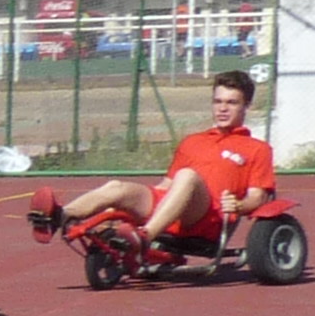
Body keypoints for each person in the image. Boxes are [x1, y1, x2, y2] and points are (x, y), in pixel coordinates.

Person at [35, 69, 276, 251]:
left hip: (206, 216)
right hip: (171, 206)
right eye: (218, 101)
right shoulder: (192, 141)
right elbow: (166, 186)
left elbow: (257, 197)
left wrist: (239, 206)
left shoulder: (257, 149)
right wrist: (122, 206)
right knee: (116, 187)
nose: (222, 109)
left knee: (187, 176)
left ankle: (145, 236)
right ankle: (58, 217)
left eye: (231, 103)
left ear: (246, 105)